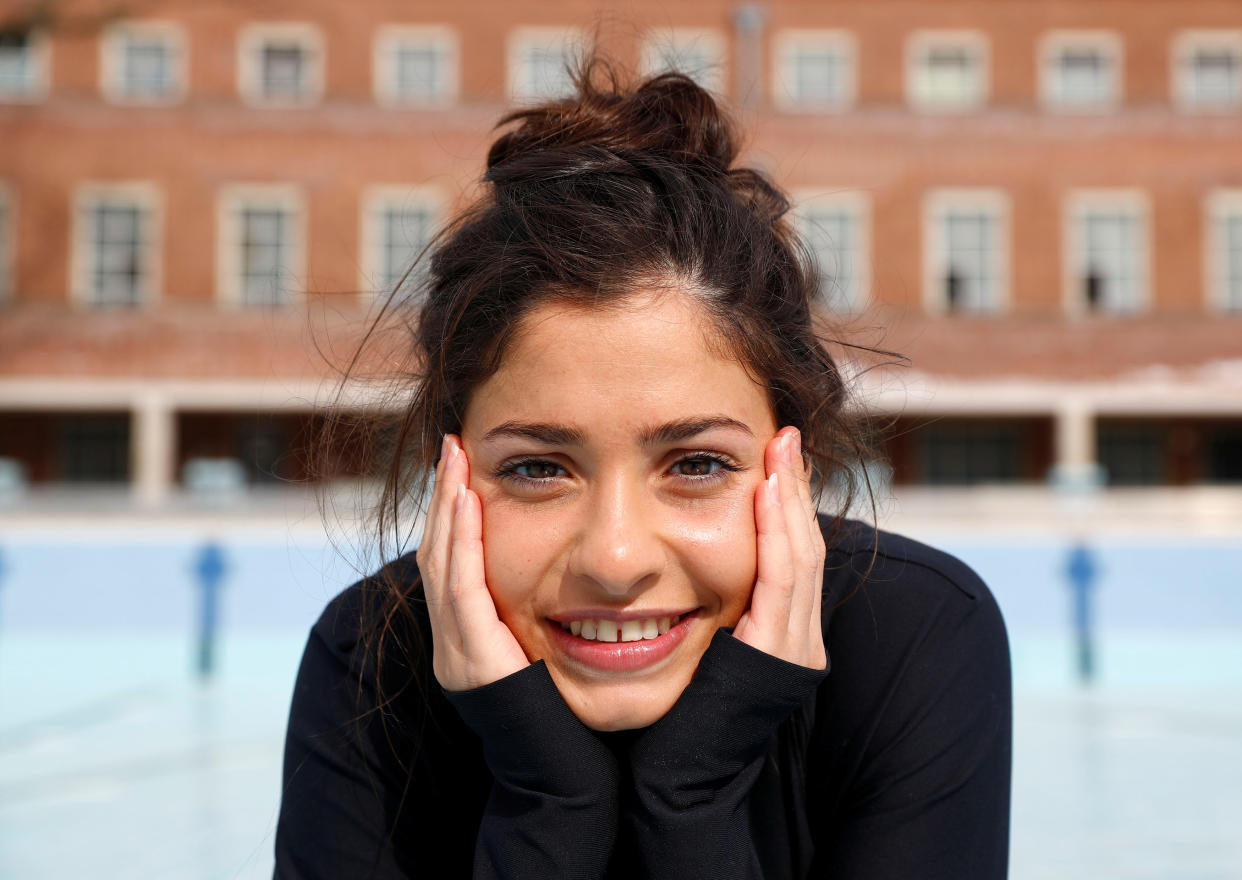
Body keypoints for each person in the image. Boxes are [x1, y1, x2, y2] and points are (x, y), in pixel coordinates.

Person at [274, 58, 1011, 879]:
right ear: (451, 468)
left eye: (696, 463)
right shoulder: (373, 663)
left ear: (790, 466)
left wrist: (691, 794)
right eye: (536, 469)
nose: (616, 560)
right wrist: (550, 800)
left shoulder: (911, 639)